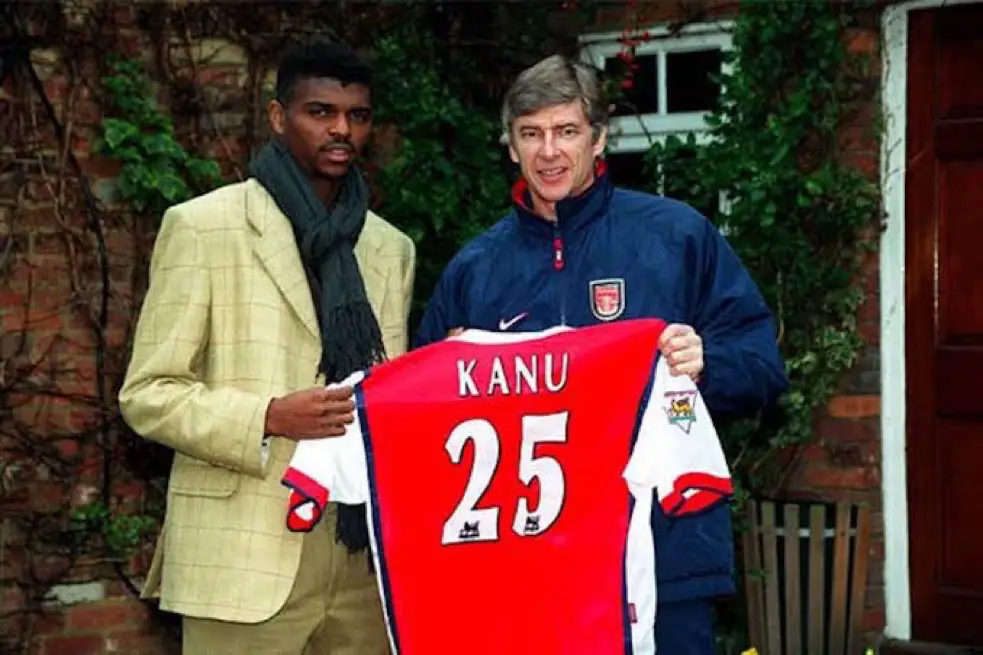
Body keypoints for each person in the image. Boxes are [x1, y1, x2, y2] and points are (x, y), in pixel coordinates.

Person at [415, 54, 788, 653]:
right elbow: (421, 428)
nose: (549, 152)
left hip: (666, 556)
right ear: (510, 145)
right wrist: (444, 378)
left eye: (566, 131)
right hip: (527, 571)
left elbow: (764, 367)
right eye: (531, 134)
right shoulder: (475, 270)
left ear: (599, 138)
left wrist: (708, 364)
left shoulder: (677, 237)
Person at [119, 41, 416, 654]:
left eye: (357, 116)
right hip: (243, 557)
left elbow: (389, 394)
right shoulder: (203, 228)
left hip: (361, 559)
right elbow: (147, 394)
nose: (341, 129)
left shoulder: (390, 248)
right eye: (320, 112)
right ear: (279, 117)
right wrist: (268, 417)